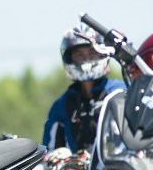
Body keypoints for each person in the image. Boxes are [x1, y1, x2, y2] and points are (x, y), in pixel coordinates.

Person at [43, 23, 126, 153]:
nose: (86, 60)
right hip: (76, 165)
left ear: (102, 54)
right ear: (69, 58)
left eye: (92, 53)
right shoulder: (61, 105)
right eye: (79, 55)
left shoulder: (120, 93)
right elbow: (49, 150)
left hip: (117, 164)